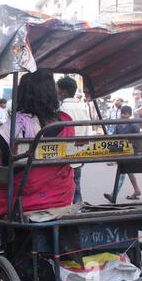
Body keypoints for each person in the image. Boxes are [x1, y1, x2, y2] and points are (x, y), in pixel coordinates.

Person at [0, 69, 75, 244]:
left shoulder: (18, 124)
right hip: (63, 195)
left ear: (22, 95)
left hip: (24, 199)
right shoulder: (65, 121)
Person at [57, 76, 93, 204]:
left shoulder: (61, 109)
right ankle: (78, 209)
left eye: (58, 90)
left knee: (63, 186)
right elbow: (89, 132)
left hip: (64, 153)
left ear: (63, 92)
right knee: (77, 185)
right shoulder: (83, 107)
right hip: (79, 151)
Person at [104, 106, 142, 202]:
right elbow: (114, 138)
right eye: (122, 113)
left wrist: (135, 151)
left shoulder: (133, 125)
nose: (123, 115)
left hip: (130, 152)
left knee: (122, 172)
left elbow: (138, 140)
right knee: (128, 171)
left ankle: (114, 195)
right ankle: (137, 190)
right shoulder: (118, 125)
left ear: (129, 114)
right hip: (121, 152)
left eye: (125, 113)